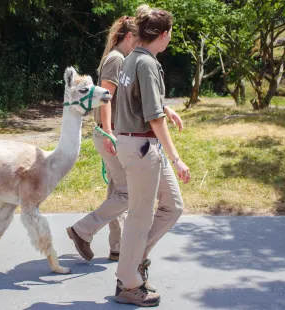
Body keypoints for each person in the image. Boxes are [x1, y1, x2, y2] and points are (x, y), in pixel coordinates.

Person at [66, 14, 183, 271]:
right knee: (126, 193)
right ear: (130, 36)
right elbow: (107, 98)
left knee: (119, 191)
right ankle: (84, 231)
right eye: (137, 37)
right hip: (115, 134)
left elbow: (136, 97)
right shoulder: (118, 60)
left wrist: (164, 107)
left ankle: (116, 246)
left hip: (119, 134)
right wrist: (109, 132)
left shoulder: (128, 59)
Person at [111, 5, 191, 307]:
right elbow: (153, 119)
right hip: (143, 148)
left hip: (136, 145)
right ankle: (128, 282)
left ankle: (135, 260)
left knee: (172, 205)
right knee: (139, 217)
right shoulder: (145, 64)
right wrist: (177, 158)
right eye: (170, 33)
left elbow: (140, 102)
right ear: (163, 34)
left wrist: (164, 107)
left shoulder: (134, 58)